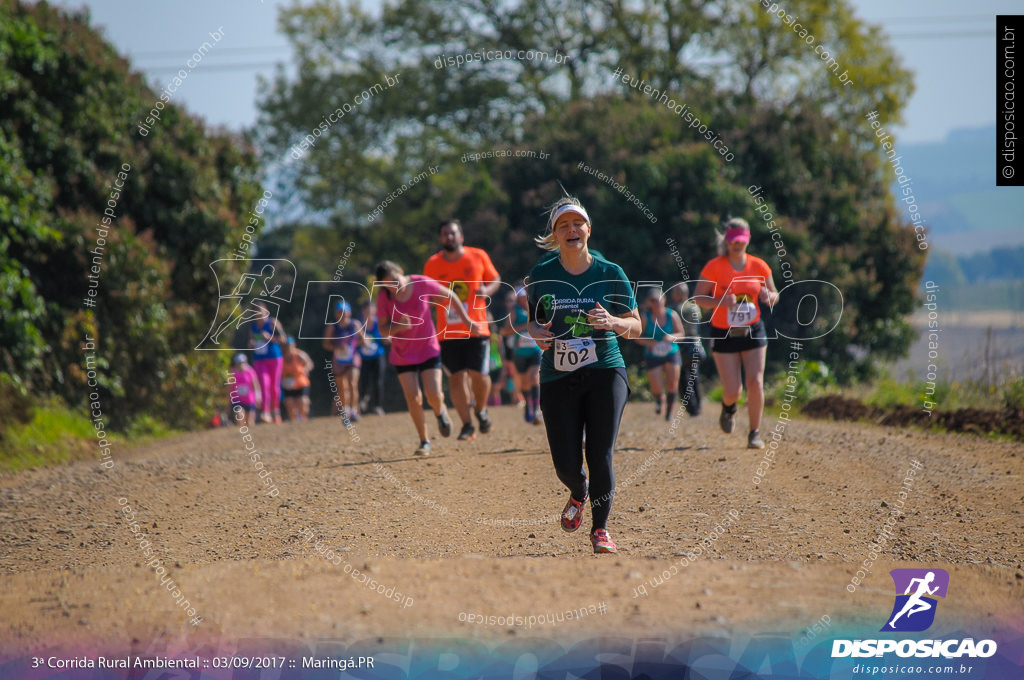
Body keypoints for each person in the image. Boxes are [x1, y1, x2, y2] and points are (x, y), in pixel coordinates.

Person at [526, 197, 641, 554]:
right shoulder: (542, 273)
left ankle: (601, 529)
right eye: (564, 225)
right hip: (558, 375)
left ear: (589, 229)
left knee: (600, 452)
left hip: (605, 370)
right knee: (565, 464)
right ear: (555, 235)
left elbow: (637, 326)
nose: (572, 230)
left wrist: (614, 322)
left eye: (578, 224)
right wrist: (535, 332)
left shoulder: (610, 272)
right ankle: (578, 490)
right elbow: (533, 319)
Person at [693, 218, 780, 449]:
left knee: (755, 382)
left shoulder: (759, 266)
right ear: (727, 241)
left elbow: (774, 293)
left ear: (748, 239)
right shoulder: (715, 266)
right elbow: (698, 298)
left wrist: (768, 296)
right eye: (733, 241)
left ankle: (754, 433)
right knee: (734, 390)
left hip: (753, 329)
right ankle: (728, 407)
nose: (737, 245)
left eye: (741, 241)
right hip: (723, 333)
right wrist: (720, 301)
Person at [375, 260, 477, 456]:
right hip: (403, 353)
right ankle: (424, 441)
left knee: (434, 393)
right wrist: (397, 327)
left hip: (428, 348)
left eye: (395, 280)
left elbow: (451, 296)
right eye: (388, 284)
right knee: (413, 398)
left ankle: (440, 412)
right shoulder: (384, 298)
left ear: (401, 271)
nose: (394, 286)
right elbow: (382, 329)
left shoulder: (421, 283)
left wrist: (467, 320)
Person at [424, 219, 502, 441]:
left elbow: (496, 279)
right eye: (445, 234)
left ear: (461, 236)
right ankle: (467, 424)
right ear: (440, 238)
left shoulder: (477, 256)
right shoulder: (433, 263)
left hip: (477, 328)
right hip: (447, 332)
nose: (449, 237)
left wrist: (487, 289)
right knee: (456, 378)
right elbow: (426, 293)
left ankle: (480, 409)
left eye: (453, 233)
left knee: (480, 375)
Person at [636, 288, 686, 421]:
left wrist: (671, 337)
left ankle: (669, 413)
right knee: (657, 387)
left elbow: (681, 334)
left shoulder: (672, 315)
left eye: (658, 300)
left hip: (671, 352)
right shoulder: (645, 317)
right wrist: (650, 342)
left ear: (664, 300)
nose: (656, 303)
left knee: (672, 383)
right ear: (649, 302)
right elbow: (637, 337)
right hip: (653, 354)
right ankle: (659, 399)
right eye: (653, 300)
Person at [504, 285, 543, 424]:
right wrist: (525, 327)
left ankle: (537, 409)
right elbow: (505, 331)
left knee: (534, 376)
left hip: (536, 350)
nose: (523, 298)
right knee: (524, 382)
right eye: (520, 296)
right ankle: (528, 405)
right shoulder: (514, 311)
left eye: (525, 295)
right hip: (520, 352)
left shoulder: (537, 307)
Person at [668, 282, 705, 416]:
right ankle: (698, 405)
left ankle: (692, 408)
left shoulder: (675, 309)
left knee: (683, 377)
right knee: (694, 375)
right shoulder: (695, 307)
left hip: (682, 345)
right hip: (696, 344)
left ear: (678, 294)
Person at [323, 300, 364, 421]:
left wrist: (353, 344)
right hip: (338, 360)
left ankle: (354, 410)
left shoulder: (355, 324)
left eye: (344, 312)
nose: (341, 314)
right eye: (339, 312)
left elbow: (363, 340)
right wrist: (337, 347)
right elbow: (325, 344)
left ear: (349, 313)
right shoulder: (332, 327)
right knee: (341, 386)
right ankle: (345, 410)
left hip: (353, 358)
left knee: (352, 383)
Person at [249, 303, 286, 423]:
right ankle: (265, 412)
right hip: (259, 359)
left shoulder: (272, 322)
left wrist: (269, 337)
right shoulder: (253, 327)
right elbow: (251, 341)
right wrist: (251, 344)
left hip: (274, 358)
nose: (258, 314)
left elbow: (283, 339)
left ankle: (276, 411)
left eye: (260, 311)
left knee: (274, 386)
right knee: (264, 384)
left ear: (266, 311)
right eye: (256, 312)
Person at [357, 300, 388, 415]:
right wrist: (362, 342)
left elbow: (386, 337)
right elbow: (352, 342)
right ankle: (363, 401)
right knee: (364, 381)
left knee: (378, 381)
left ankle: (377, 406)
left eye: (372, 310)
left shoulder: (379, 323)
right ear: (363, 311)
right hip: (363, 357)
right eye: (367, 310)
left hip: (378, 356)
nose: (369, 312)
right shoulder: (358, 325)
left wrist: (387, 339)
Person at [281, 337, 314, 422]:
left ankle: (303, 418)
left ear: (293, 345)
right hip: (288, 384)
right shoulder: (282, 357)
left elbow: (309, 363)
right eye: (287, 345)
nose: (288, 347)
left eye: (290, 345)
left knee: (302, 401)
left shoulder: (299, 354)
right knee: (289, 402)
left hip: (301, 383)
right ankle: (294, 421)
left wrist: (305, 369)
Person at [227, 353, 261, 428]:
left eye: (241, 363)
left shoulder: (250, 371)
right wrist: (228, 401)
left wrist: (258, 397)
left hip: (250, 400)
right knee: (239, 416)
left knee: (250, 421)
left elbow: (255, 385)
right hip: (237, 400)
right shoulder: (232, 373)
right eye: (238, 363)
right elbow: (229, 388)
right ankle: (240, 435)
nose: (240, 365)